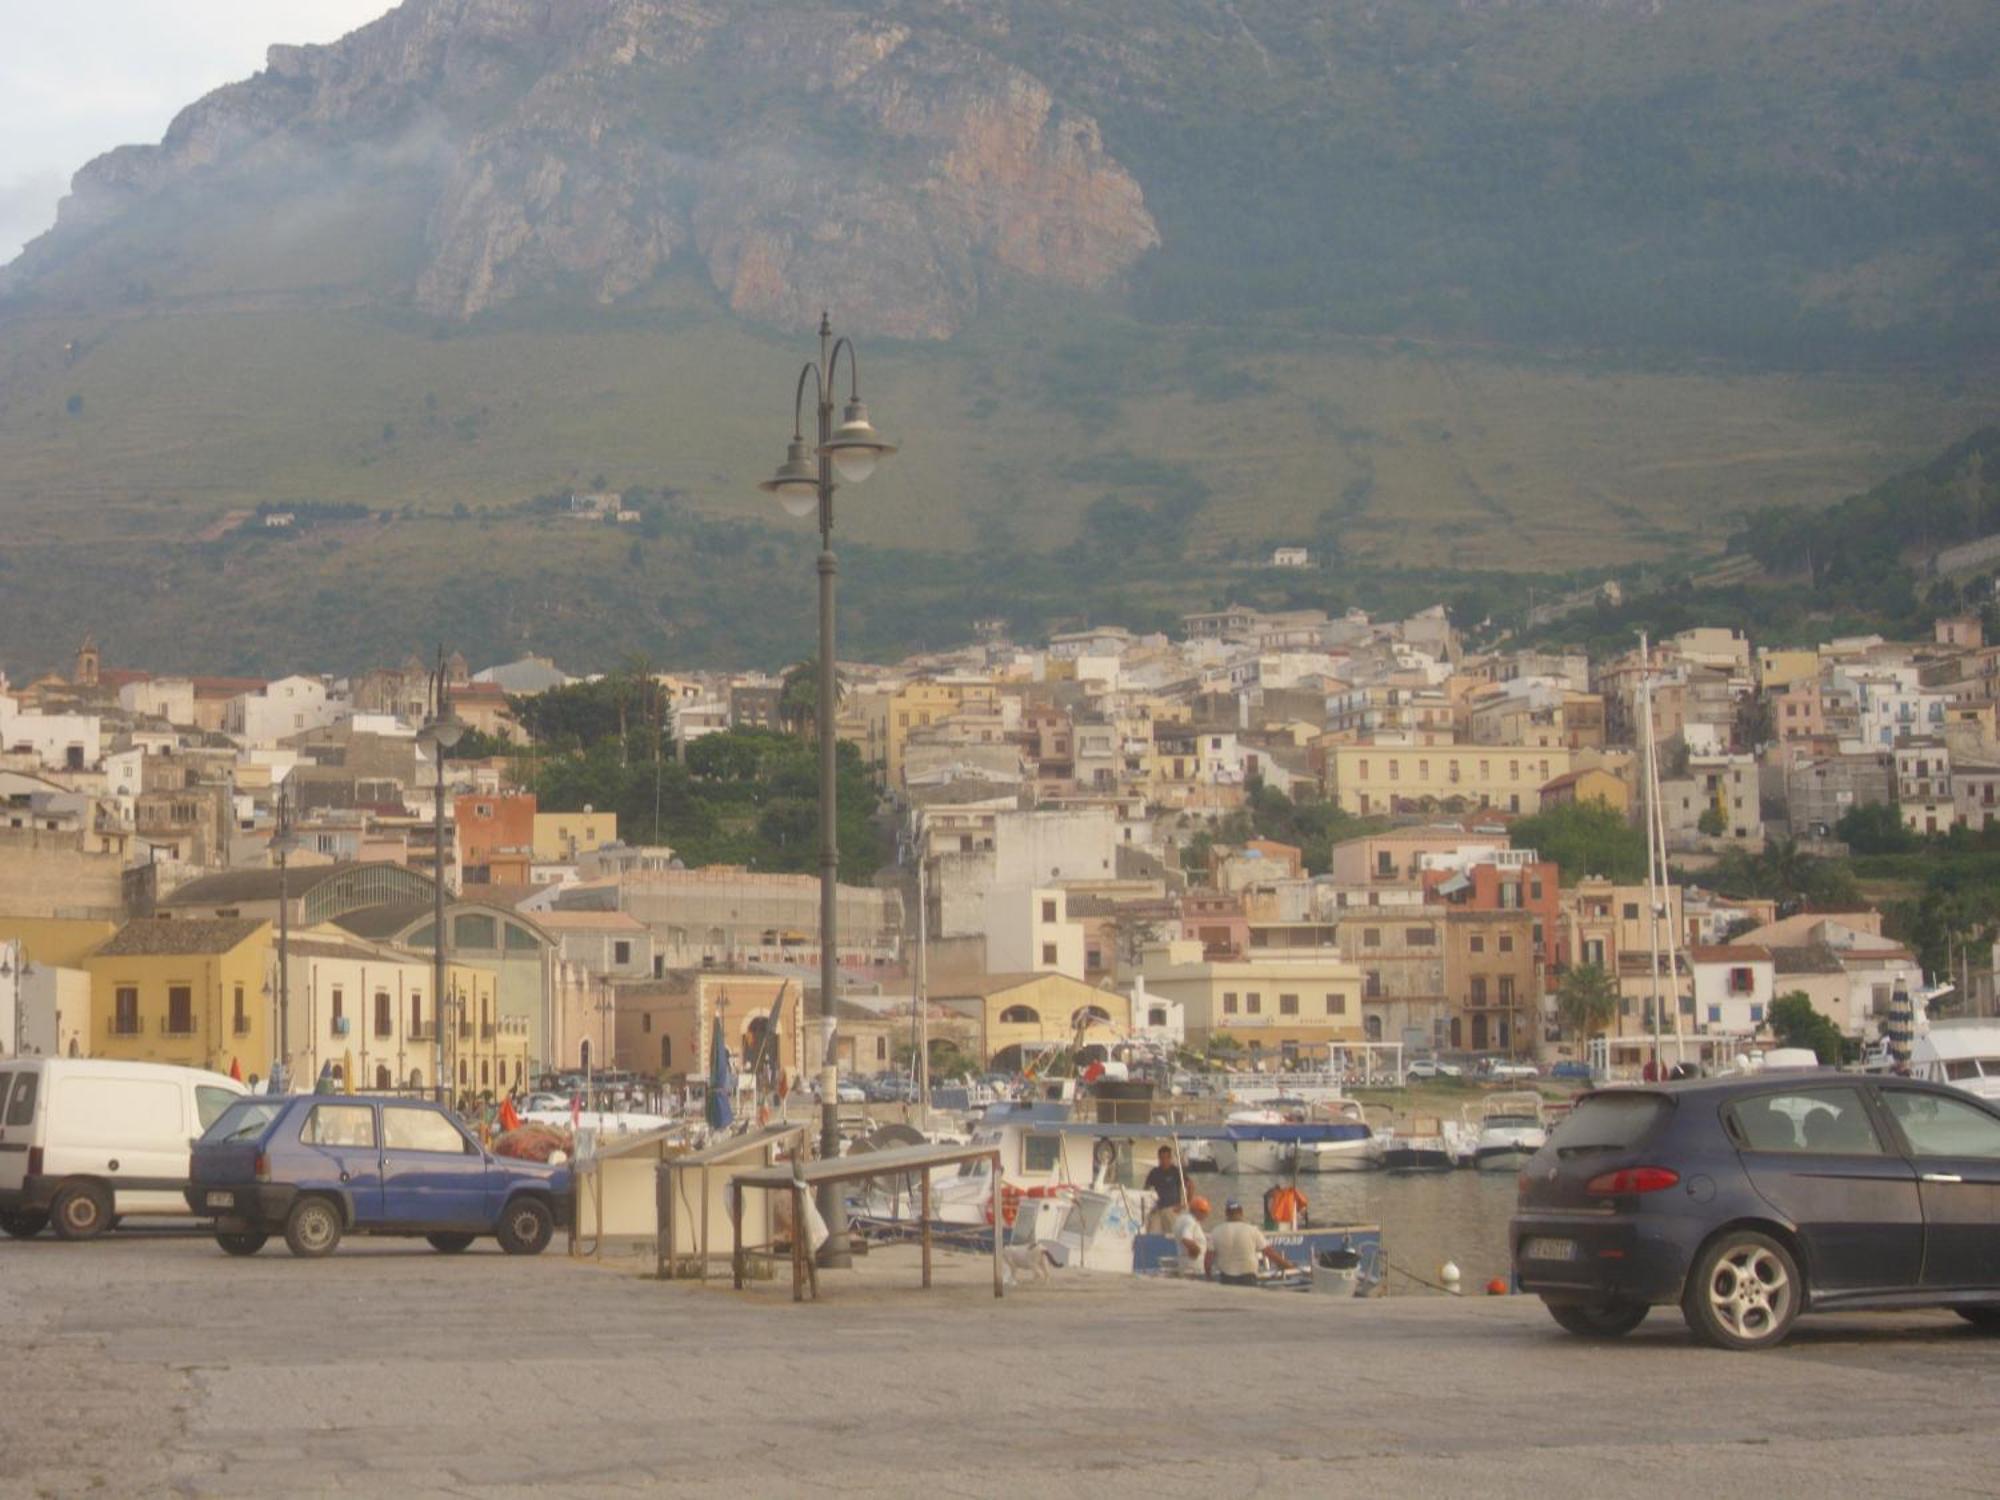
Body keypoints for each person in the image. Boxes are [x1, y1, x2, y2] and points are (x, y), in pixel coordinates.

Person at [1212, 1198, 1293, 1287]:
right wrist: (1286, 1265)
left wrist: (1208, 1276)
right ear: (1241, 1212)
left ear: (1226, 1213)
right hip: (1248, 1276)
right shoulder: (1252, 1230)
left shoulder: (1216, 1231)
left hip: (1226, 1277)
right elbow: (1269, 1252)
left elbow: (1208, 1259)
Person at [1143, 1145, 1191, 1234]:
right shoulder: (1154, 1172)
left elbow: (1190, 1186)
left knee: (1172, 1235)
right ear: (1158, 1158)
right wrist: (1148, 1206)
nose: (1164, 1161)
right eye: (1161, 1158)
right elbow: (1145, 1190)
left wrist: (1185, 1204)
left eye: (1166, 1158)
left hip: (1172, 1209)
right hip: (1157, 1209)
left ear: (1170, 1158)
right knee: (1153, 1234)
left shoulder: (1176, 1171)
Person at [1173, 1195, 1211, 1278]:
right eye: (1204, 1212)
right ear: (1197, 1211)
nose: (1205, 1216)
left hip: (1185, 1262)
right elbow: (1186, 1238)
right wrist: (1196, 1250)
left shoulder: (1182, 1218)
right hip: (1193, 1266)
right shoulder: (1190, 1221)